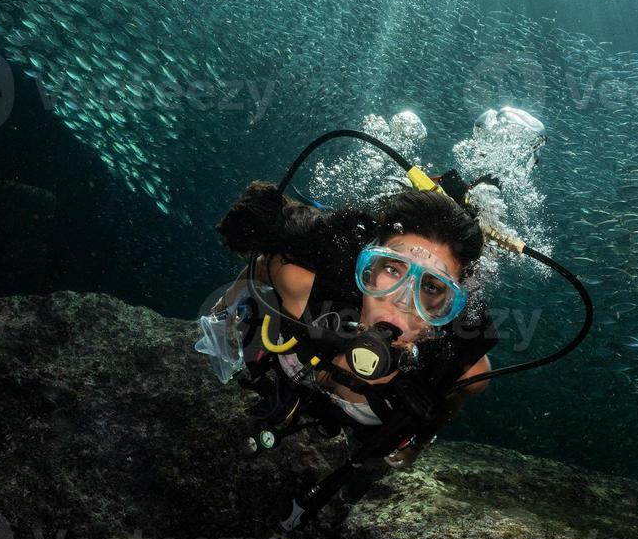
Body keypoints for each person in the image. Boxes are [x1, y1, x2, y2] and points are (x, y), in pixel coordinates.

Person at [207, 179, 497, 471]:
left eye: (432, 287)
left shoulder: (462, 370)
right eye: (393, 269)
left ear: (450, 305)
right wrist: (225, 310)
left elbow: (465, 388)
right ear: (368, 269)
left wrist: (418, 441)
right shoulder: (301, 285)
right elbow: (262, 266)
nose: (402, 300)